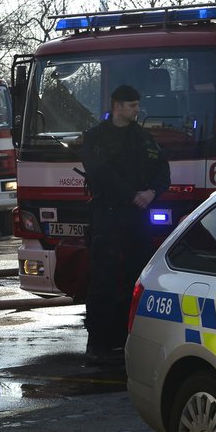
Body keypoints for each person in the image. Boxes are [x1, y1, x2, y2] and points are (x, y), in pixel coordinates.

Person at [80, 84, 170, 361]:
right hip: (107, 215)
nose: (137, 110)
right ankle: (98, 343)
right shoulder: (95, 138)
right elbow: (100, 172)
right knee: (102, 281)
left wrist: (152, 193)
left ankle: (132, 339)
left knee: (137, 279)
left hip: (137, 219)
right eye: (132, 105)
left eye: (137, 105)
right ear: (117, 106)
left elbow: (163, 172)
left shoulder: (144, 138)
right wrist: (132, 195)